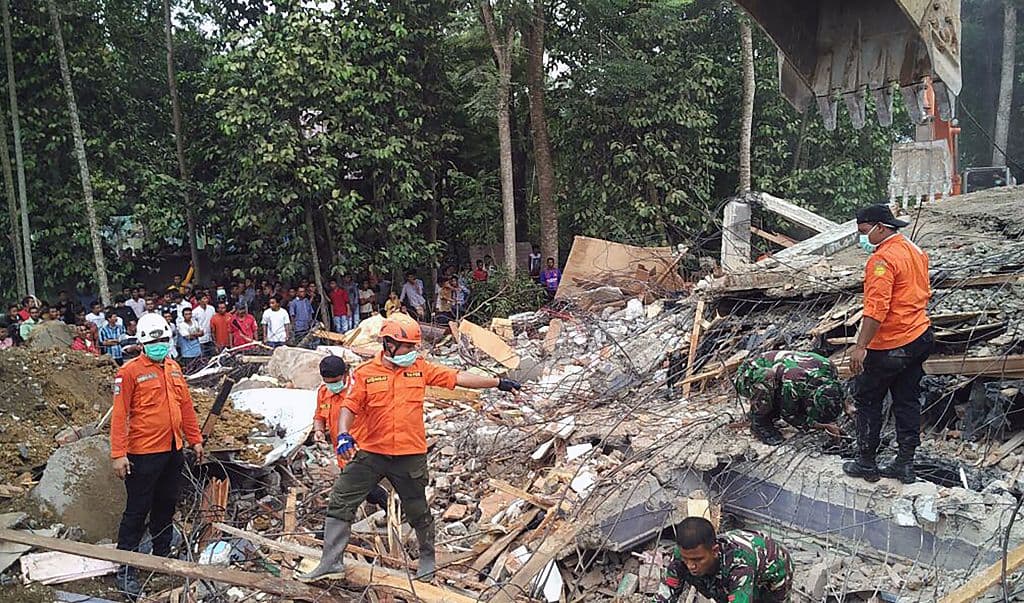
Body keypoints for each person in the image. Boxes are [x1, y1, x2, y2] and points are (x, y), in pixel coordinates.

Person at [297, 318, 521, 583]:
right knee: (341, 500)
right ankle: (331, 562)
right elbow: (349, 406)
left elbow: (457, 377)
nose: (413, 351)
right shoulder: (366, 373)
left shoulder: (420, 368)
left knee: (417, 508)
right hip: (371, 452)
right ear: (389, 345)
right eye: (407, 346)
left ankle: (427, 557)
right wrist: (344, 434)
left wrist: (497, 383)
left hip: (409, 453)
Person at [110, 313, 204, 600]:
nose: (160, 346)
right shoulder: (128, 372)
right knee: (137, 511)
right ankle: (127, 568)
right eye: (155, 342)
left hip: (173, 450)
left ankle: (162, 555)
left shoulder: (174, 369)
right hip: (143, 454)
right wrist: (118, 454)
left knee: (166, 504)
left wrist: (196, 439)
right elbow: (120, 415)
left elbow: (186, 407)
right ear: (141, 343)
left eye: (164, 340)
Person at [843, 204, 933, 484]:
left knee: (868, 400)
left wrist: (860, 346)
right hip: (918, 335)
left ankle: (866, 462)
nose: (863, 238)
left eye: (864, 231)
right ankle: (905, 464)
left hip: (890, 344)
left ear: (880, 227)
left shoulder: (881, 260)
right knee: (907, 401)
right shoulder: (913, 250)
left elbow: (876, 310)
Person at [653, 517, 792, 603]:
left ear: (715, 551)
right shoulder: (681, 556)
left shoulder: (739, 567)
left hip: (774, 571)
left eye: (697, 559)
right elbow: (666, 592)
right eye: (686, 559)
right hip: (722, 573)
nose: (691, 566)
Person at [311, 356, 389, 508]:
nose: (332, 386)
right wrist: (319, 430)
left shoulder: (358, 391)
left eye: (335, 381)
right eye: (328, 382)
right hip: (342, 453)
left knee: (350, 491)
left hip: (364, 450)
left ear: (346, 374)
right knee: (366, 492)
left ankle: (333, 527)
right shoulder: (323, 393)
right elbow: (319, 415)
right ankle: (391, 509)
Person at [733, 351, 846, 445]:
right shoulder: (794, 382)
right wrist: (821, 426)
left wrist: (847, 408)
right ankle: (759, 422)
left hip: (782, 375)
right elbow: (788, 415)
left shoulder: (830, 368)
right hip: (747, 376)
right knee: (767, 378)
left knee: (787, 395)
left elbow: (837, 394)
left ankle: (771, 407)